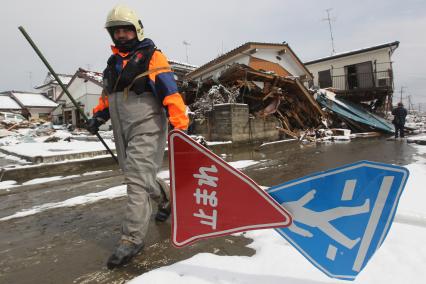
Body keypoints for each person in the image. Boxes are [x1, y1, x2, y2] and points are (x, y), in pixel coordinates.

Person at [86, 4, 189, 269]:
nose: (121, 35)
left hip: (147, 124)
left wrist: (179, 124)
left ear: (137, 30)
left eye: (126, 30)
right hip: (122, 129)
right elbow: (107, 98)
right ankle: (165, 198)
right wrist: (98, 116)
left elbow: (170, 92)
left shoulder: (152, 56)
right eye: (116, 31)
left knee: (135, 178)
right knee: (137, 175)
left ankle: (132, 238)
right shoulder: (112, 65)